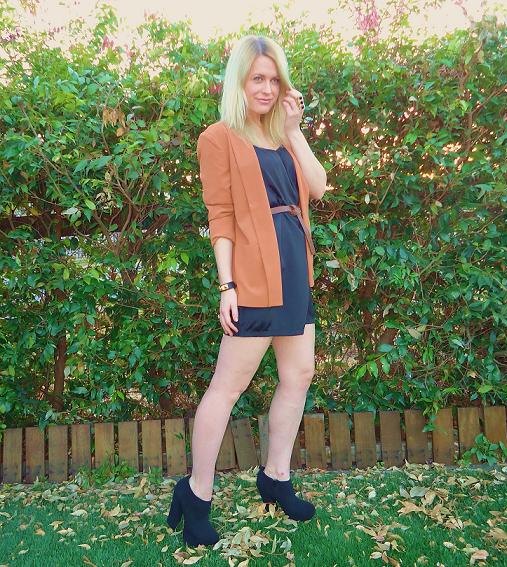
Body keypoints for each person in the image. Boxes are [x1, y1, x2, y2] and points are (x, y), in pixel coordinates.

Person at [166, 34, 327, 548]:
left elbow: (319, 187)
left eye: (274, 79)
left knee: (298, 375)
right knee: (227, 387)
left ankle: (276, 477)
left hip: (294, 270)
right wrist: (227, 285)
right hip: (254, 276)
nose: (266, 88)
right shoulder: (218, 138)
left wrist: (295, 131)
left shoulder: (282, 134)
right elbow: (221, 216)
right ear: (239, 80)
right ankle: (196, 493)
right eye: (257, 78)